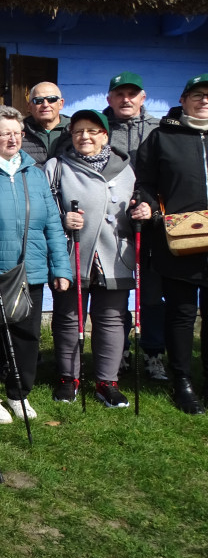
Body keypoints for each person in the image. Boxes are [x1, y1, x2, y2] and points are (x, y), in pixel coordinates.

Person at [0, 106, 72, 424]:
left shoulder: (33, 173)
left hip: (31, 269)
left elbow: (52, 222)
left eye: (18, 133)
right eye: (5, 133)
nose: (13, 138)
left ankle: (18, 393)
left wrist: (60, 268)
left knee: (27, 337)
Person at [47, 109, 146, 407]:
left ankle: (107, 381)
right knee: (68, 317)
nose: (84, 137)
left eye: (92, 131)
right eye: (78, 131)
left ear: (105, 135)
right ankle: (69, 378)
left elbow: (135, 203)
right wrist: (64, 219)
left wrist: (140, 212)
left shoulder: (126, 168)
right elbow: (46, 210)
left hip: (114, 255)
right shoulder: (57, 166)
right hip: (73, 252)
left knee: (112, 319)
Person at [136, 74, 208, 414]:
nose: (205, 100)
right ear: (184, 98)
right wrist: (148, 208)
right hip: (180, 238)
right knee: (181, 313)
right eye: (198, 95)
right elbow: (145, 182)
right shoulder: (163, 137)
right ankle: (183, 381)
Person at [103, 71, 167, 381]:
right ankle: (120, 349)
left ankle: (154, 352)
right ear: (110, 99)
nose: (126, 99)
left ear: (143, 97)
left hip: (152, 221)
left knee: (152, 292)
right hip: (113, 221)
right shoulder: (98, 128)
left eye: (132, 94)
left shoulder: (160, 130)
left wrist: (152, 207)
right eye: (119, 94)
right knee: (117, 290)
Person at [22, 82, 71, 166]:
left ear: (61, 104)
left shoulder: (74, 131)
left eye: (52, 99)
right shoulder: (19, 132)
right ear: (29, 106)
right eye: (38, 101)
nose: (45, 105)